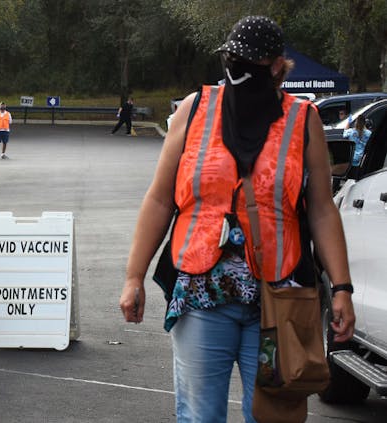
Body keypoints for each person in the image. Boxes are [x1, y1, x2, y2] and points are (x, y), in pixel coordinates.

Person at [118, 16, 355, 423]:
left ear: (278, 66)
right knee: (200, 416)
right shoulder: (194, 111)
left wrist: (342, 288)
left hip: (278, 301)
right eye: (232, 57)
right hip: (201, 294)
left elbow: (321, 209)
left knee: (272, 416)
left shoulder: (304, 119)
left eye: (251, 60)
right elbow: (160, 200)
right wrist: (133, 276)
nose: (238, 67)